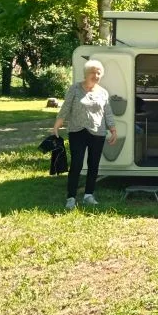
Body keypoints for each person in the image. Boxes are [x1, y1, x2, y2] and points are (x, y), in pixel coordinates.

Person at [52, 59, 118, 210]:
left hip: (98, 133)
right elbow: (66, 108)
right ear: (85, 74)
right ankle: (71, 197)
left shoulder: (103, 92)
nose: (95, 75)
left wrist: (113, 130)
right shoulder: (74, 89)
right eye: (92, 72)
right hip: (77, 131)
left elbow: (107, 113)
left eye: (98, 73)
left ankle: (89, 194)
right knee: (76, 164)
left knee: (93, 165)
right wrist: (57, 124)